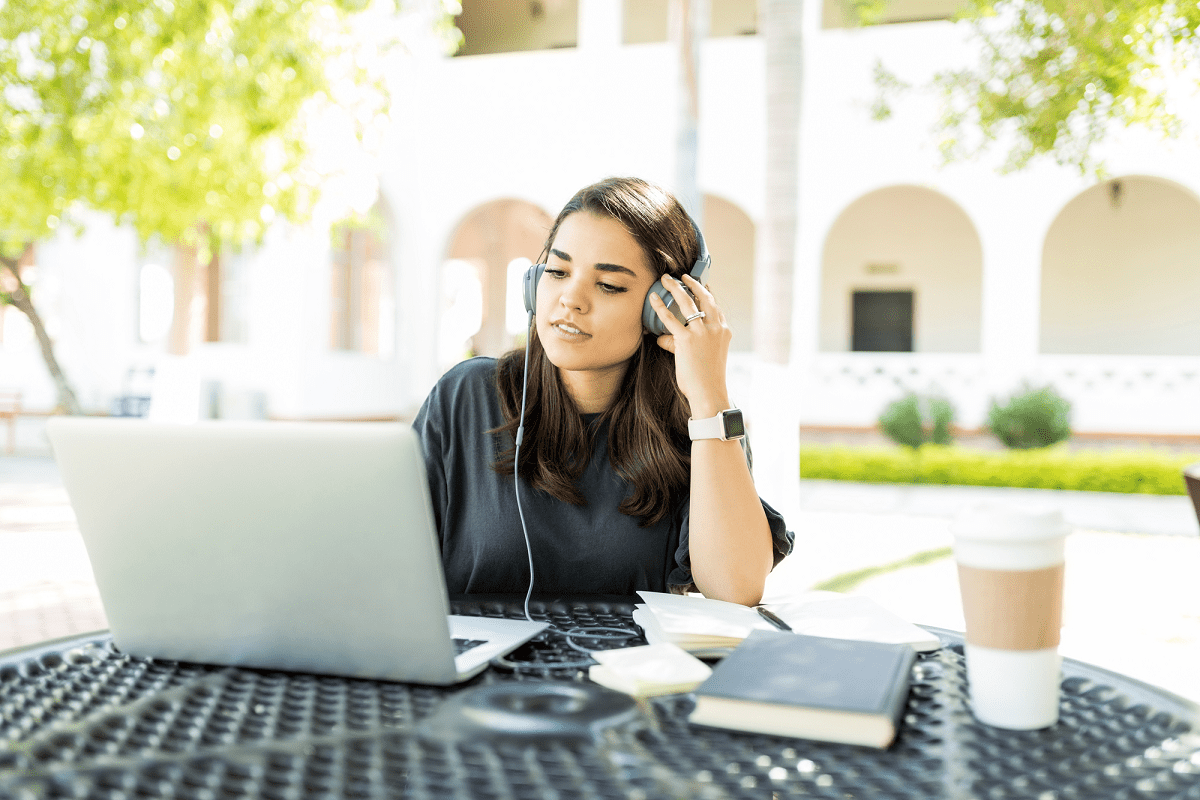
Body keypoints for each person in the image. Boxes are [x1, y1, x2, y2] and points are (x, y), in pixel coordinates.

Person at [413, 177, 792, 606]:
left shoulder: (705, 422)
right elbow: (384, 560)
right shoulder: (466, 396)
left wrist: (708, 397)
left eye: (608, 284)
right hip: (478, 670)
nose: (570, 299)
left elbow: (735, 591)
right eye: (557, 272)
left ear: (662, 309)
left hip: (629, 671)